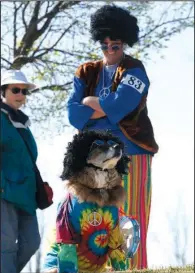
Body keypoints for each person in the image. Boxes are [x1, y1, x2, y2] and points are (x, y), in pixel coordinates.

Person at [67, 4, 159, 270]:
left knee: (133, 214)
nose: (109, 50)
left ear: (124, 44)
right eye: (104, 45)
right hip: (93, 157)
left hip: (133, 150)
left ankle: (136, 267)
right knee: (96, 216)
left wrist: (92, 103)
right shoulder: (85, 71)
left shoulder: (135, 70)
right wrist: (104, 108)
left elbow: (122, 108)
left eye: (115, 45)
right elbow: (74, 115)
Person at [0, 70, 52, 273]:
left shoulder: (22, 122)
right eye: (15, 90)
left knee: (31, 243)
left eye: (24, 91)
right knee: (6, 247)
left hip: (27, 195)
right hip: (5, 192)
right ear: (3, 91)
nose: (21, 94)